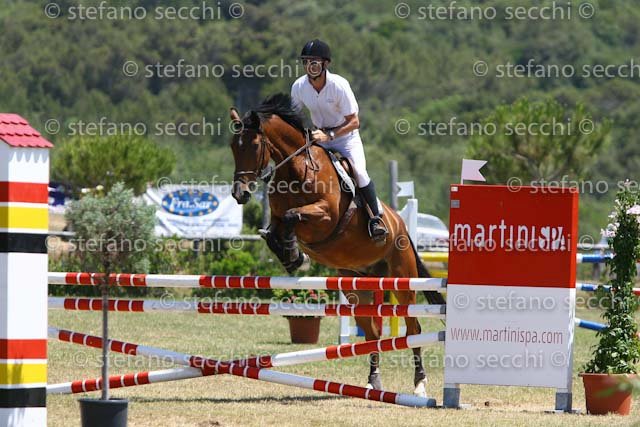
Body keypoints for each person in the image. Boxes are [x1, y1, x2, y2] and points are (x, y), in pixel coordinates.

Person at [291, 39, 388, 240]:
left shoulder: (338, 85)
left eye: (314, 62)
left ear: (325, 64)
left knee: (359, 172)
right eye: (306, 62)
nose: (309, 66)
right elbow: (293, 117)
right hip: (319, 137)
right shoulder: (299, 87)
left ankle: (375, 219)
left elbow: (354, 121)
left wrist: (331, 135)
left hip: (345, 138)